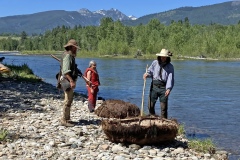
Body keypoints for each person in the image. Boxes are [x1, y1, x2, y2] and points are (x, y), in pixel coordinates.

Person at [143, 48, 174, 119]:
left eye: (164, 57)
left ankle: (164, 122)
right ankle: (153, 118)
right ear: (159, 56)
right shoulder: (155, 63)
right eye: (162, 57)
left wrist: (168, 89)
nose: (163, 58)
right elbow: (150, 71)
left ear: (167, 58)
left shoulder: (170, 67)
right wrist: (147, 74)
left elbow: (170, 78)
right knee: (150, 106)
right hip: (154, 86)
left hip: (163, 88)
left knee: (163, 109)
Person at [60, 39, 80, 127]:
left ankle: (67, 118)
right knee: (68, 100)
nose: (76, 50)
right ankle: (64, 119)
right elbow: (66, 71)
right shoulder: (68, 56)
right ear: (71, 47)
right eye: (75, 48)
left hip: (67, 79)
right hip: (66, 80)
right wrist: (71, 81)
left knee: (69, 99)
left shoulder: (70, 56)